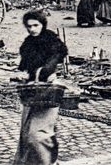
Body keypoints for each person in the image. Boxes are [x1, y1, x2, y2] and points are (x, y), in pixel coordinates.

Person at [14, 10, 68, 165]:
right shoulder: (28, 43)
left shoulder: (52, 41)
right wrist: (22, 73)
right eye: (29, 26)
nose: (32, 29)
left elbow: (54, 59)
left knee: (38, 134)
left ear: (42, 25)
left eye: (35, 25)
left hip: (47, 89)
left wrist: (47, 73)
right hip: (31, 89)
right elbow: (24, 64)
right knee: (26, 132)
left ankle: (48, 162)